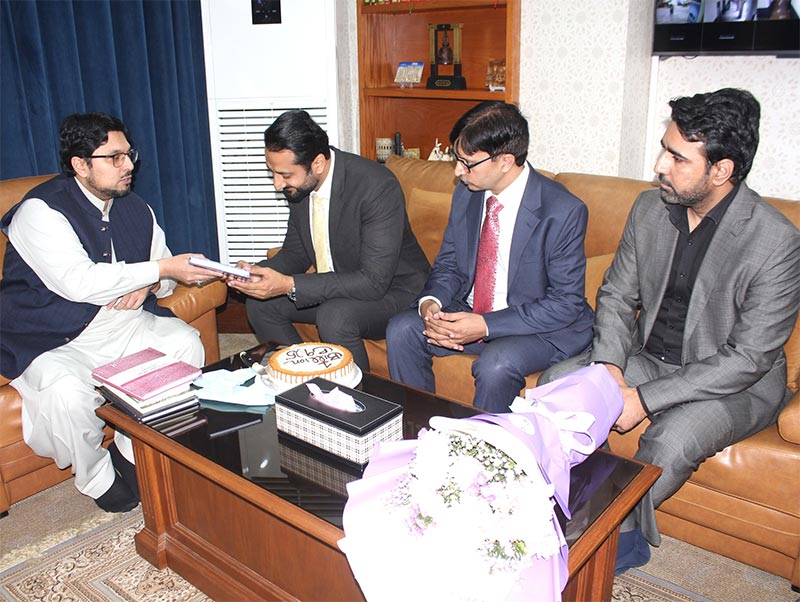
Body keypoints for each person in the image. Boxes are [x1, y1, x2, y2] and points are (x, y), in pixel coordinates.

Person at [538, 88, 800, 574]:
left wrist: (642, 400)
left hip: (733, 383)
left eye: (677, 157)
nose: (660, 164)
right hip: (650, 356)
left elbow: (747, 359)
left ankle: (623, 535)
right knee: (558, 386)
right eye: (664, 148)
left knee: (672, 438)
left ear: (720, 170)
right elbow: (617, 295)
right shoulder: (649, 208)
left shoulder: (777, 243)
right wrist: (610, 371)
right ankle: (556, 511)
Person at [0, 112, 221, 513]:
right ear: (80, 165)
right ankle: (96, 475)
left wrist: (152, 283)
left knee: (185, 344)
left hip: (123, 327)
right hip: (56, 338)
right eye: (114, 158)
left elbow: (166, 274)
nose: (129, 165)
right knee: (65, 393)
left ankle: (130, 448)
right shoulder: (39, 212)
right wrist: (161, 271)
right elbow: (79, 282)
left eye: (129, 154)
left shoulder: (135, 207)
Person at [386, 101, 594, 412]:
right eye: (457, 159)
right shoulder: (467, 193)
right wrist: (432, 303)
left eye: (467, 163)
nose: (458, 171)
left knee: (496, 364)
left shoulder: (563, 211)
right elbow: (449, 263)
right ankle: (421, 433)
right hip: (472, 311)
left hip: (536, 327)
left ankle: (485, 452)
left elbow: (565, 303)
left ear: (506, 161)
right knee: (403, 329)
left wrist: (484, 326)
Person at [226, 110, 429, 371]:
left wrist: (288, 284)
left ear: (318, 164)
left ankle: (361, 402)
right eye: (273, 173)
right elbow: (296, 253)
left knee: (335, 315)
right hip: (341, 287)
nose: (277, 184)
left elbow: (373, 282)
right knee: (260, 305)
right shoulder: (302, 187)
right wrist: (257, 274)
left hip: (397, 291)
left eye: (285, 175)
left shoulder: (376, 186)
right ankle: (305, 382)